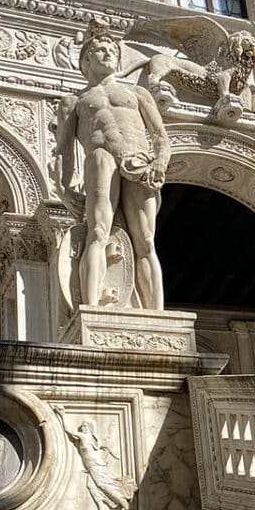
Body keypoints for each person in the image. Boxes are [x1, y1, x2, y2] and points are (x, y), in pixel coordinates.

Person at [56, 19, 170, 310]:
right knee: (97, 231)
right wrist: (65, 185)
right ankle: (91, 307)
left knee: (146, 240)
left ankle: (156, 313)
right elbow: (63, 150)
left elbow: (161, 137)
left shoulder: (138, 93)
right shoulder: (74, 101)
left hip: (139, 159)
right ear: (86, 59)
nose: (109, 54)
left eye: (112, 51)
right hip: (100, 157)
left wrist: (160, 162)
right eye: (101, 50)